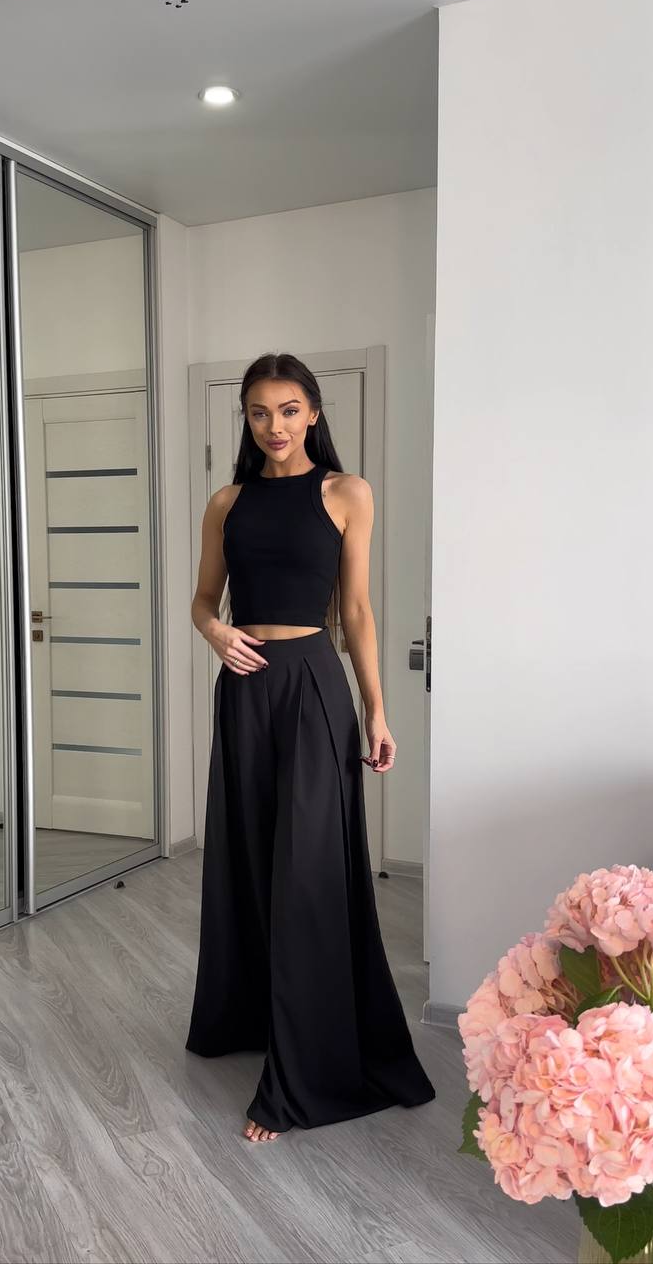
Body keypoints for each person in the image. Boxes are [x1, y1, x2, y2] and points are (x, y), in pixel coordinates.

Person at [185, 351, 436, 1141]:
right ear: (246, 418)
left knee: (308, 872)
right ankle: (253, 1018)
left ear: (313, 414)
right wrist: (214, 632)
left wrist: (378, 712)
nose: (275, 426)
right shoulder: (226, 502)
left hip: (312, 688)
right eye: (260, 412)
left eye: (289, 410)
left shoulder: (345, 493)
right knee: (249, 858)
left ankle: (301, 1075)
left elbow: (355, 612)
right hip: (244, 689)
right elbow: (202, 599)